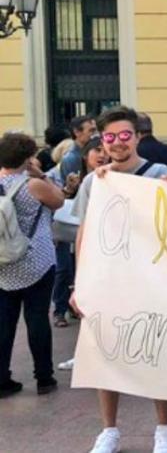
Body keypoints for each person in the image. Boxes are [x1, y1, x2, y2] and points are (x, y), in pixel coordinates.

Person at [71, 106, 167, 453]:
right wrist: (79, 282)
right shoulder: (94, 180)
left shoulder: (158, 171)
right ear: (103, 140)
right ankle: (109, 430)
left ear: (137, 137)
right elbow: (83, 231)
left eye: (125, 135)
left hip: (151, 278)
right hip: (108, 279)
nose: (118, 143)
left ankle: (164, 428)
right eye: (111, 137)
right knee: (105, 353)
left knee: (157, 352)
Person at [0, 132, 65, 400]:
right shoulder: (32, 185)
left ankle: (2, 379)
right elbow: (59, 201)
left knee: (4, 322)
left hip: (2, 263)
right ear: (28, 158)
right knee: (37, 318)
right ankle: (44, 377)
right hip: (35, 260)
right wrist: (41, 174)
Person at [46, 136, 106, 327]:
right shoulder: (77, 176)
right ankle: (60, 310)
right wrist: (69, 188)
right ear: (86, 154)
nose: (102, 155)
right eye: (97, 150)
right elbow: (57, 201)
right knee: (64, 270)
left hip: (95, 238)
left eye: (105, 150)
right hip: (69, 233)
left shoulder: (110, 178)